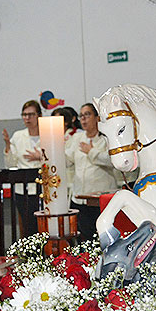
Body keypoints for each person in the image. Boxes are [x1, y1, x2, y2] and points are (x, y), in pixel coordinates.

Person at [66, 103, 116, 242]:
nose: (83, 119)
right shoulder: (76, 138)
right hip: (79, 197)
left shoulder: (106, 139)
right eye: (81, 115)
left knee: (102, 237)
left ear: (97, 118)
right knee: (84, 239)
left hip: (100, 198)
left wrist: (92, 152)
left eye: (87, 115)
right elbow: (68, 161)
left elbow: (112, 161)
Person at [3, 100, 43, 237]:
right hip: (23, 190)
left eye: (31, 114)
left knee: (43, 227)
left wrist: (41, 157)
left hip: (43, 189)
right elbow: (10, 164)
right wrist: (8, 146)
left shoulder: (48, 134)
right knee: (28, 227)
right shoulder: (18, 136)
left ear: (39, 115)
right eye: (24, 115)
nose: (27, 118)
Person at [52, 107, 81, 199]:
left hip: (70, 181)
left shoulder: (75, 136)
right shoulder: (50, 137)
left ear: (66, 122)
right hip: (55, 180)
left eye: (56, 120)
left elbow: (70, 159)